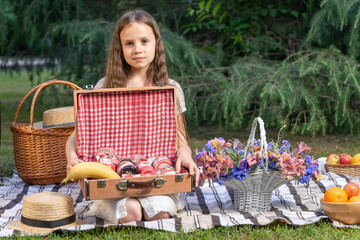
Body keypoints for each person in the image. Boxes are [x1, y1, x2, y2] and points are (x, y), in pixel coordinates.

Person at [65, 9, 200, 224]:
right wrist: (72, 157)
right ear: (119, 48)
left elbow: (180, 139)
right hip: (113, 180)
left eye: (144, 41)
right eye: (129, 43)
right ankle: (124, 204)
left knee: (159, 212)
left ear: (156, 43)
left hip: (156, 178)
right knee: (131, 214)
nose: (138, 49)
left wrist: (185, 154)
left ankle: (150, 202)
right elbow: (76, 136)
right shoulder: (104, 87)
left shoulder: (170, 88)